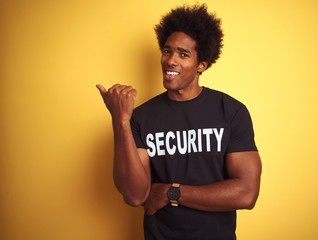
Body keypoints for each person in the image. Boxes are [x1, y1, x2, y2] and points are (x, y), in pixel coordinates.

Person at [96, 4, 262, 240]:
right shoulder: (141, 117)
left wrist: (172, 192)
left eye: (183, 55)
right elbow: (134, 195)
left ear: (201, 65)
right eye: (167, 51)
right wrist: (120, 122)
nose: (171, 61)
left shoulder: (231, 112)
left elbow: (246, 194)